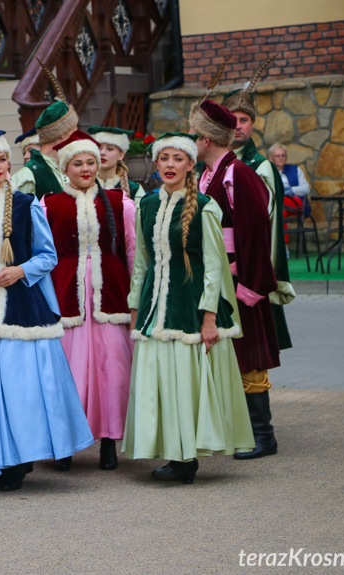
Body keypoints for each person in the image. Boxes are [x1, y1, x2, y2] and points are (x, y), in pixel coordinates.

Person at [0, 130, 94, 491]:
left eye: (2, 160)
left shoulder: (27, 204)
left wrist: (20, 271)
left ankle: (21, 457)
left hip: (22, 308)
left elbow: (48, 255)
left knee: (22, 387)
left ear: (10, 163)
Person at [122, 132, 254, 483]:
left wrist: (209, 317)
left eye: (177, 159)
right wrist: (135, 305)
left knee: (185, 381)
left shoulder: (206, 206)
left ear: (190, 164)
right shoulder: (146, 205)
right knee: (161, 381)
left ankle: (186, 459)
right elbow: (142, 262)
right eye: (163, 158)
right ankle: (173, 451)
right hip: (155, 306)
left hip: (189, 306)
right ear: (155, 162)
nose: (169, 165)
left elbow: (215, 266)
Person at [190, 99, 281, 460]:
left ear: (207, 140)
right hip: (219, 274)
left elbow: (256, 229)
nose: (190, 142)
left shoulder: (238, 174)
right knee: (229, 350)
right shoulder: (210, 174)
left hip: (239, 278)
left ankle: (264, 435)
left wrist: (250, 282)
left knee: (249, 354)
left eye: (194, 136)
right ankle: (237, 428)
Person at [44, 131, 136, 472]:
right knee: (69, 370)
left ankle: (110, 440)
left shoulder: (119, 201)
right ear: (65, 167)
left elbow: (131, 251)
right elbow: (45, 253)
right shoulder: (49, 204)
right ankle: (65, 443)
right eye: (78, 162)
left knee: (112, 367)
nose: (85, 168)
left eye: (91, 162)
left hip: (109, 291)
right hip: (66, 293)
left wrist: (134, 297)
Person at [222, 65, 296, 375]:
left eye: (244, 120)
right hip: (220, 267)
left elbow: (269, 228)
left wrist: (262, 273)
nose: (238, 126)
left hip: (249, 267)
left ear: (253, 124)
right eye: (232, 120)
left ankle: (258, 420)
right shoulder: (212, 163)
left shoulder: (260, 166)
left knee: (252, 349)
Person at [11, 64, 78, 199]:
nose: (77, 138)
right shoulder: (28, 176)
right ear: (61, 135)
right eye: (73, 132)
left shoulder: (69, 167)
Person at [87, 126, 147, 203]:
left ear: (121, 155)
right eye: (99, 148)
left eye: (110, 149)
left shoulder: (134, 190)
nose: (102, 152)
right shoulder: (82, 184)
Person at [269, 143, 311, 217]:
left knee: (278, 202)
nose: (281, 158)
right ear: (271, 158)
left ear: (286, 157)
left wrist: (291, 190)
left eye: (283, 155)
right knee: (281, 212)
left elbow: (306, 188)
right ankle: (281, 229)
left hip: (295, 203)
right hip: (278, 204)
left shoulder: (295, 169)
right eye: (278, 156)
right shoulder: (268, 172)